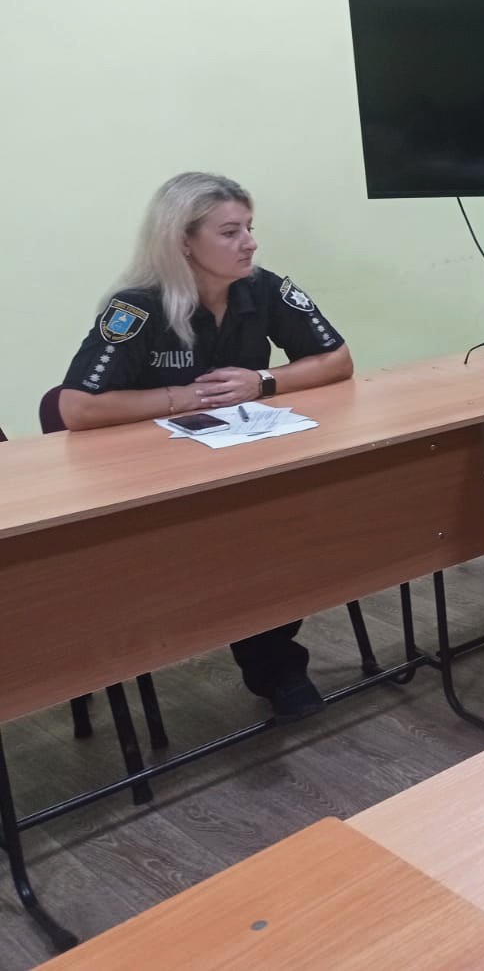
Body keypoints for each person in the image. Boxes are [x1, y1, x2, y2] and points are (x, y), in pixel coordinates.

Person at [59, 172, 355, 718]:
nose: (250, 243)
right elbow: (77, 407)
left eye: (249, 227)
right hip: (154, 479)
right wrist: (182, 397)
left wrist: (264, 381)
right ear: (183, 242)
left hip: (244, 462)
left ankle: (275, 663)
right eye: (230, 232)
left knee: (288, 528)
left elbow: (337, 360)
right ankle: (275, 667)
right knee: (246, 542)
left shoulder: (263, 288)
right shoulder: (138, 307)